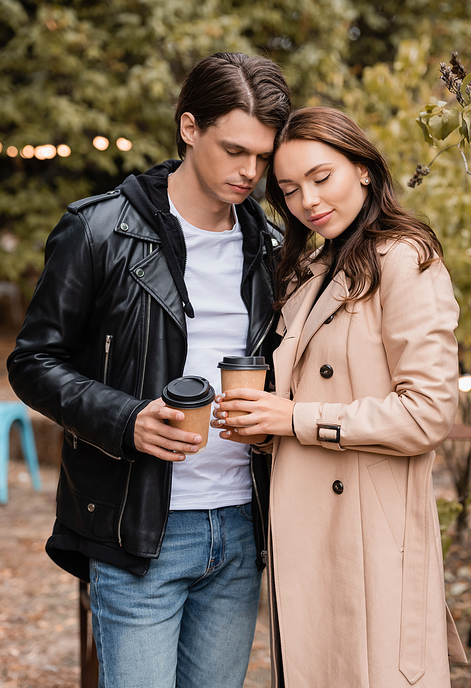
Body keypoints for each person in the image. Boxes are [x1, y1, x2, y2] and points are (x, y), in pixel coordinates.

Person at [7, 52, 291, 688]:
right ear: (189, 128)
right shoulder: (98, 230)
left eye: (263, 158)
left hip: (242, 528)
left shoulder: (273, 249)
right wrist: (126, 418)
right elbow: (32, 362)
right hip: (139, 531)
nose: (250, 172)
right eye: (234, 150)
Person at [212, 106, 468, 687]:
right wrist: (263, 426)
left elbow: (428, 414)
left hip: (368, 537)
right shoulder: (309, 268)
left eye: (322, 177)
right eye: (291, 189)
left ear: (365, 170)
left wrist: (296, 419)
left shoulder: (406, 259)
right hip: (305, 534)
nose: (309, 200)